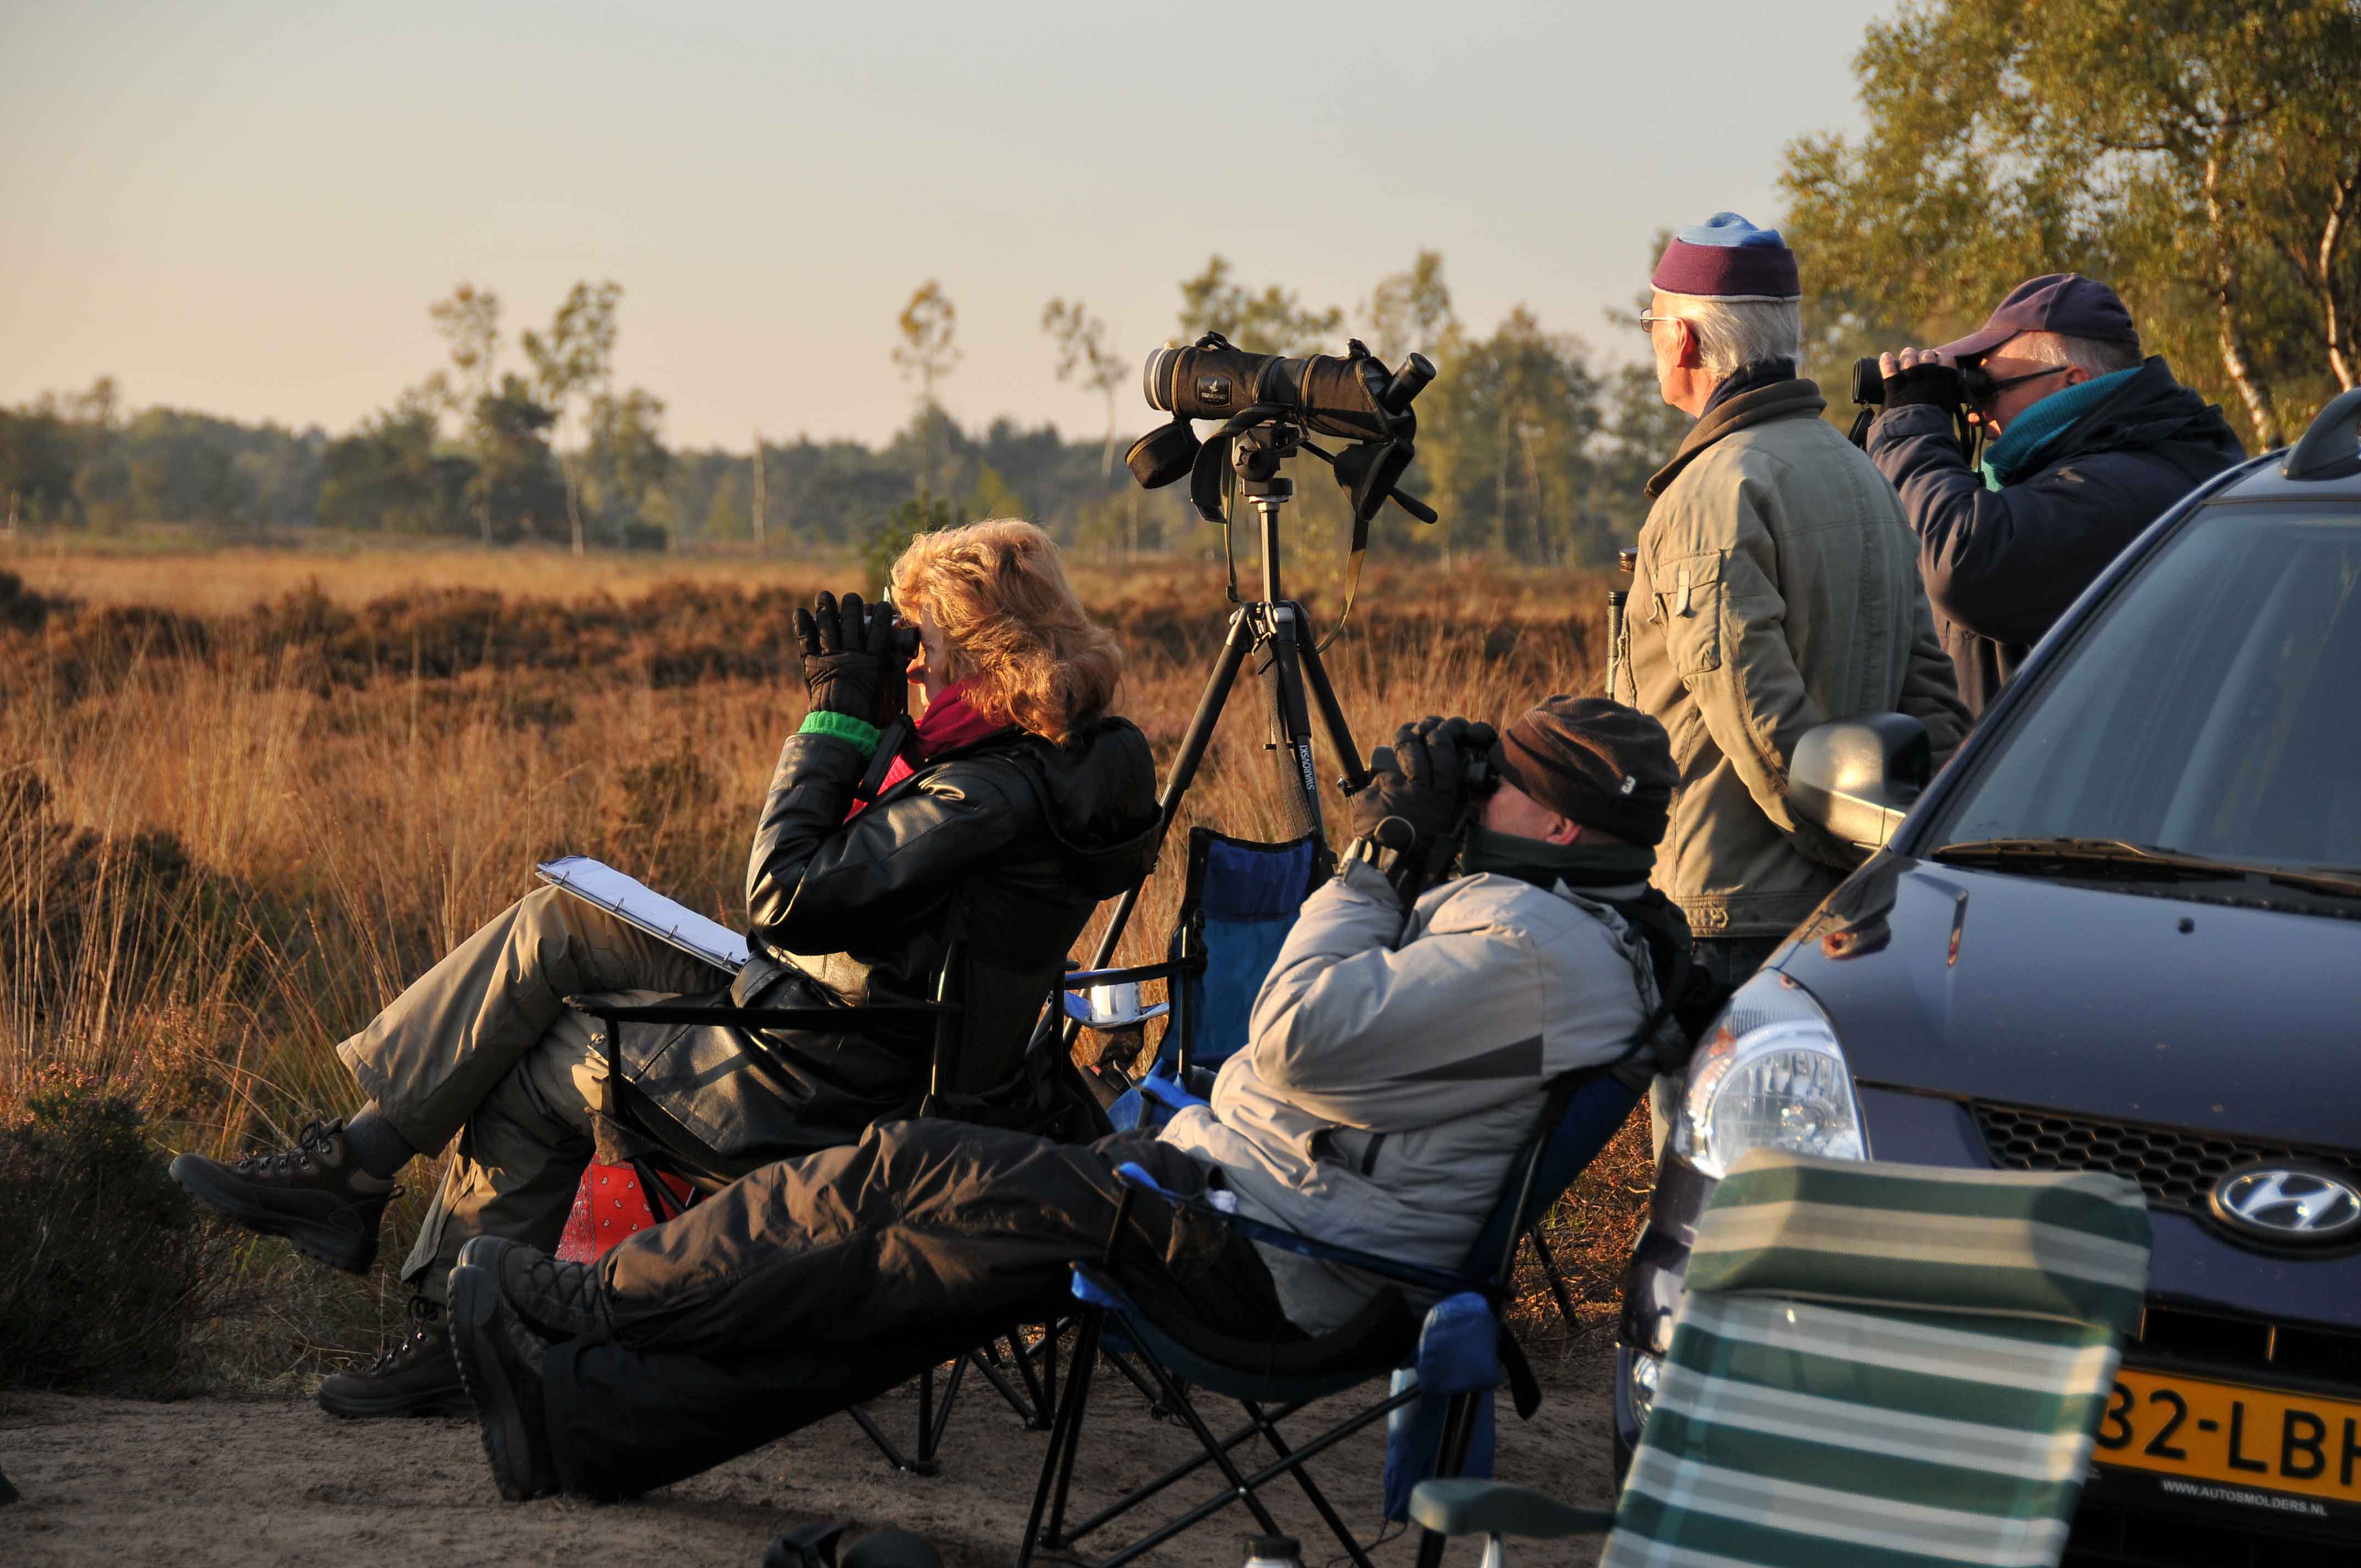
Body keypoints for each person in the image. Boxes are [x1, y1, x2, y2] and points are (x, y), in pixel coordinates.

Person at [433, 700, 1688, 1503]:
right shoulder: (1568, 926)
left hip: (1275, 1261)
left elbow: (1296, 1030)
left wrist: (1379, 858)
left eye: (1501, 787)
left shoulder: (1535, 944)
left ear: (1566, 826)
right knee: (922, 1262)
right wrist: (1428, 848)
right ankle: (586, 1417)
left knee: (904, 1165)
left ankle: (596, 1300)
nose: (1474, 800)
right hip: (1244, 1203)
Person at [168, 519, 1161, 1420]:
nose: (908, 673)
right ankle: (356, 1164)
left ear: (981, 652)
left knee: (540, 1066)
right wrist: (888, 722)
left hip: (825, 1075)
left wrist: (832, 728)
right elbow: (892, 891)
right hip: (868, 1016)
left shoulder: (981, 797)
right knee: (561, 921)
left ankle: (452, 1321)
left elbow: (784, 891)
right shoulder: (1060, 756)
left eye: (921, 652)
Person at [1622, 211, 1970, 1144]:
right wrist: (1880, 865)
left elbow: (1760, 722)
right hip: (1849, 907)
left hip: (1728, 914)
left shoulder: (1710, 491)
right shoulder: (1858, 474)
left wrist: (1826, 866)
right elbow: (1931, 702)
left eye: (1649, 324)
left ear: (1685, 337)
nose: (1652, 343)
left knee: (1713, 1202)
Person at [1868, 273, 2247, 714]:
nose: (1977, 414)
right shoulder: (2101, 467)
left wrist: (1911, 426)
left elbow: (1964, 562)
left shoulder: (2129, 485)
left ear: (2072, 381)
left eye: (1988, 389)